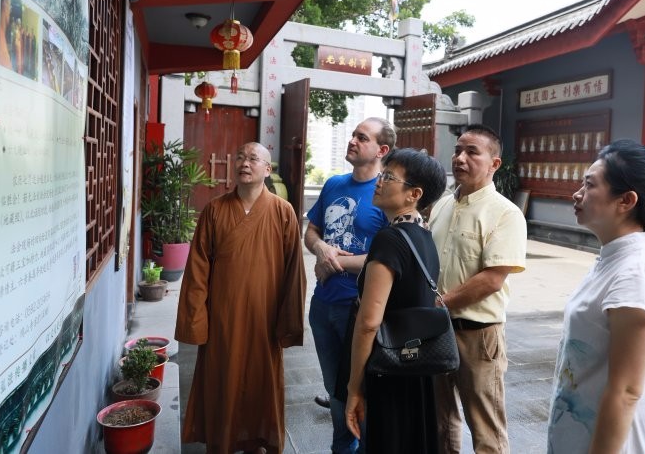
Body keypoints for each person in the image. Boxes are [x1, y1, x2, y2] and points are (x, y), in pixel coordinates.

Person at [547, 139, 645, 453]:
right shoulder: (616, 259)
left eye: (589, 185)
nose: (577, 194)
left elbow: (626, 392)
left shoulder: (637, 273)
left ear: (626, 201)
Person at [175, 142, 306, 454]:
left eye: (254, 158)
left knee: (262, 381)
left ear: (267, 169)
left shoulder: (282, 212)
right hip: (224, 316)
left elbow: (294, 273)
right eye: (241, 157)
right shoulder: (215, 210)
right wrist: (197, 321)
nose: (245, 163)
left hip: (265, 316)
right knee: (223, 379)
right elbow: (197, 270)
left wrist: (288, 322)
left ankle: (257, 438)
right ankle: (223, 440)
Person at [428, 124, 527, 453]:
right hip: (436, 331)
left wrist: (440, 302)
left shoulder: (505, 213)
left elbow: (492, 278)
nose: (460, 158)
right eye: (458, 150)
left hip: (478, 335)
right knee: (440, 421)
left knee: (486, 429)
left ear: (494, 163)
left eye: (472, 152)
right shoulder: (441, 205)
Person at [345, 148, 447, 453]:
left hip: (388, 368)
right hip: (415, 366)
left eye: (388, 177)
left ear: (413, 194)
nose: (379, 181)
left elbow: (368, 323)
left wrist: (353, 388)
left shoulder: (389, 239)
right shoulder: (423, 236)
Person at [304, 117, 396, 454]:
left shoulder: (386, 193)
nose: (353, 141)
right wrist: (322, 249)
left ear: (381, 150)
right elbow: (311, 232)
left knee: (361, 388)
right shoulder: (333, 184)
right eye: (353, 135)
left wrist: (336, 262)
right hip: (323, 302)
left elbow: (389, 253)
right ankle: (342, 447)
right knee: (335, 387)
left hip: (359, 307)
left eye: (362, 137)